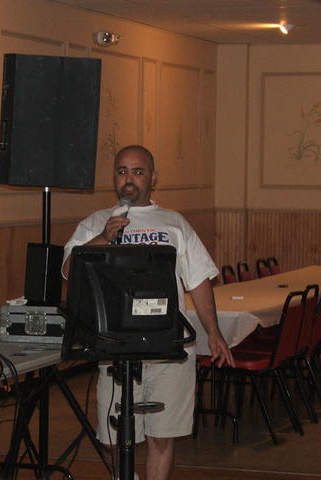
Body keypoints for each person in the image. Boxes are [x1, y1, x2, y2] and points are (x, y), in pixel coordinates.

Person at [62, 145, 233, 480]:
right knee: (111, 439)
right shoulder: (95, 222)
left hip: (168, 347)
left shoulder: (175, 223)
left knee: (161, 436)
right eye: (122, 171)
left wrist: (213, 331)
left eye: (138, 171)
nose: (129, 179)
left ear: (153, 178)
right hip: (114, 348)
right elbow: (70, 268)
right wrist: (103, 238)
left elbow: (199, 282)